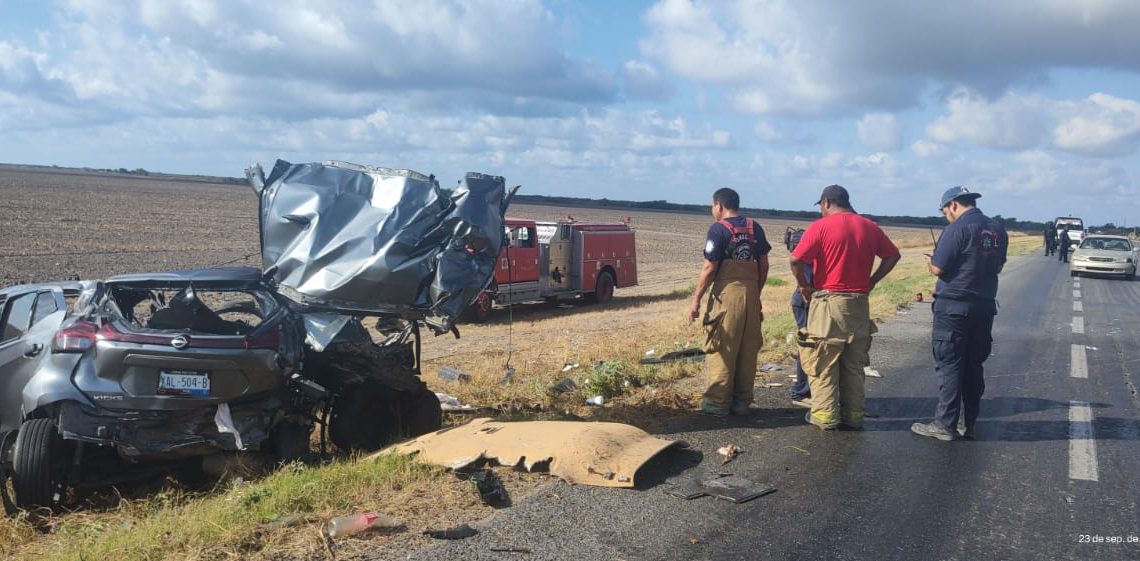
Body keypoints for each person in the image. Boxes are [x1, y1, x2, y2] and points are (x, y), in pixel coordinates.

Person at [790, 185, 900, 430]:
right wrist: (871, 282)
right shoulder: (870, 227)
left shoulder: (820, 227)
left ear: (827, 202)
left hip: (828, 302)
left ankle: (825, 415)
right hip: (859, 304)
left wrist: (804, 287)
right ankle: (853, 415)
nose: (820, 210)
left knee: (823, 361)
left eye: (820, 206)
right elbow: (893, 255)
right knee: (854, 364)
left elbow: (796, 259)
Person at [911, 187, 1008, 442]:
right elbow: (998, 266)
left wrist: (929, 262)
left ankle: (944, 425)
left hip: (953, 307)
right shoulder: (998, 229)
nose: (946, 216)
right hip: (984, 306)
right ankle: (970, 423)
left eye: (945, 211)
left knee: (950, 364)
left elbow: (939, 268)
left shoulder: (956, 229)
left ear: (953, 205)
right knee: (974, 365)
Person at [688, 187, 772, 416]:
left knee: (722, 347)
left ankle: (717, 404)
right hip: (752, 295)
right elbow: (764, 265)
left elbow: (710, 267)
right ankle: (742, 402)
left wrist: (696, 299)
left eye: (712, 206)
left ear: (719, 205)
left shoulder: (718, 229)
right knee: (747, 350)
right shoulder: (755, 227)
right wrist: (755, 291)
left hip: (727, 298)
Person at [786, 228, 812, 408]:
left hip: (802, 300)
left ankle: (805, 390)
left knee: (809, 346)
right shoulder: (806, 260)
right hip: (805, 301)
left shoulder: (805, 260)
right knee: (808, 346)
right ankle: (802, 392)